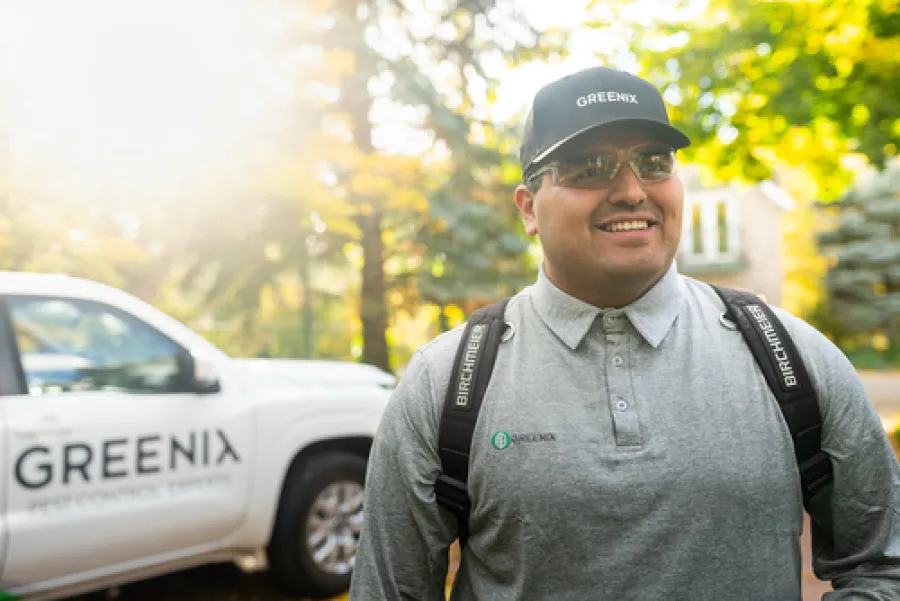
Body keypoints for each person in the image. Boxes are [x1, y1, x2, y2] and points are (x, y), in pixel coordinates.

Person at [348, 65, 900, 600]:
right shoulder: (446, 383)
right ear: (528, 209)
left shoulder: (792, 360)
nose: (633, 191)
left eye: (653, 162)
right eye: (589, 166)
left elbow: (885, 567)